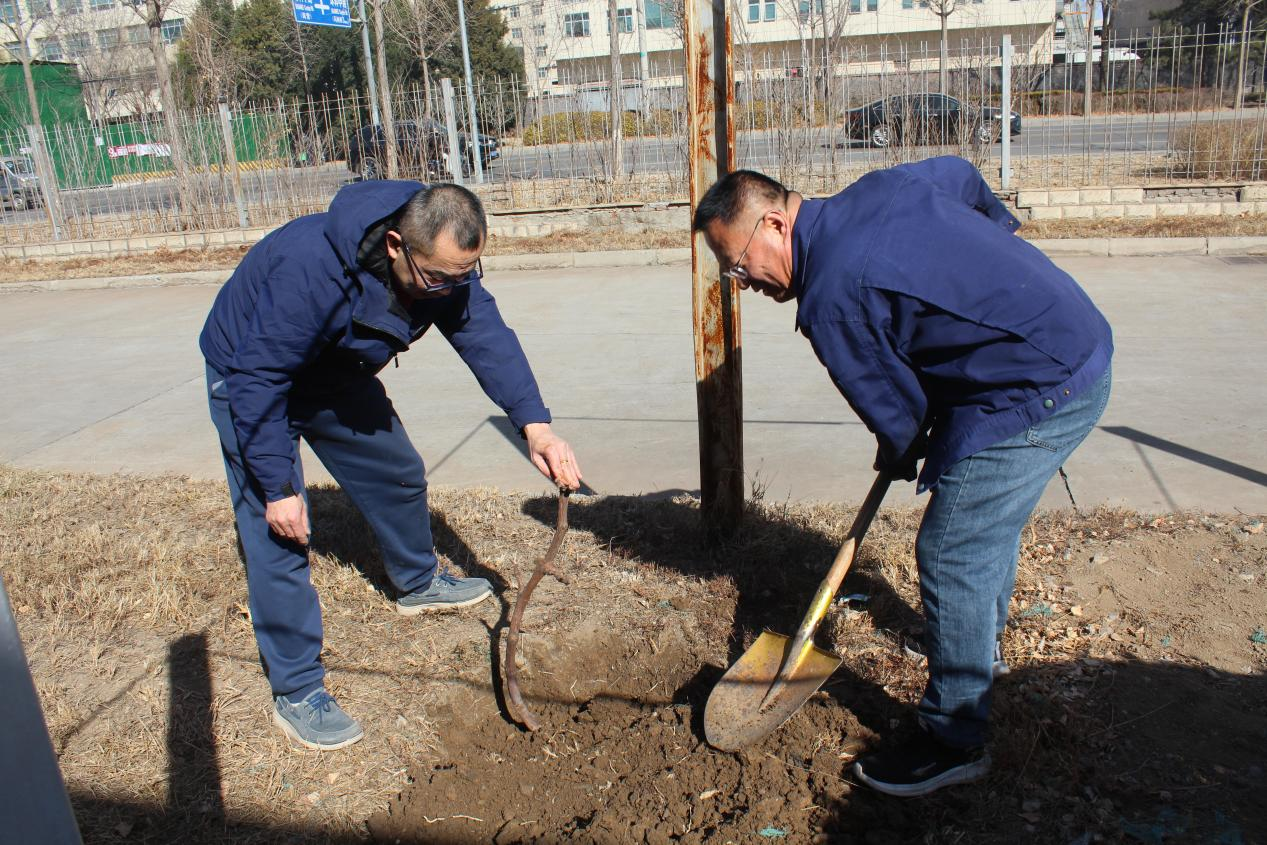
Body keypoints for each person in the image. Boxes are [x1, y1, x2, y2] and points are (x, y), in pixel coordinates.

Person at [694, 157, 1112, 797]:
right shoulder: (880, 190)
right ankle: (980, 652)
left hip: (1037, 384)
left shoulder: (831, 296)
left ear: (775, 223)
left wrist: (899, 448)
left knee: (954, 546)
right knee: (981, 523)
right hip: (1069, 336)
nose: (737, 280)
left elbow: (901, 414)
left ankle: (954, 738)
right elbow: (961, 175)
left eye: (737, 261)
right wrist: (992, 241)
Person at [200, 180, 583, 751]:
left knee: (398, 471)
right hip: (251, 379)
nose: (449, 291)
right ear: (398, 245)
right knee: (279, 530)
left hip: (335, 372)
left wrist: (535, 423)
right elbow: (261, 378)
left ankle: (416, 582)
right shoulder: (312, 269)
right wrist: (277, 485)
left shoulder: (444, 266)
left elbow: (484, 334)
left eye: (463, 276)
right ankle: (298, 689)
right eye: (439, 279)